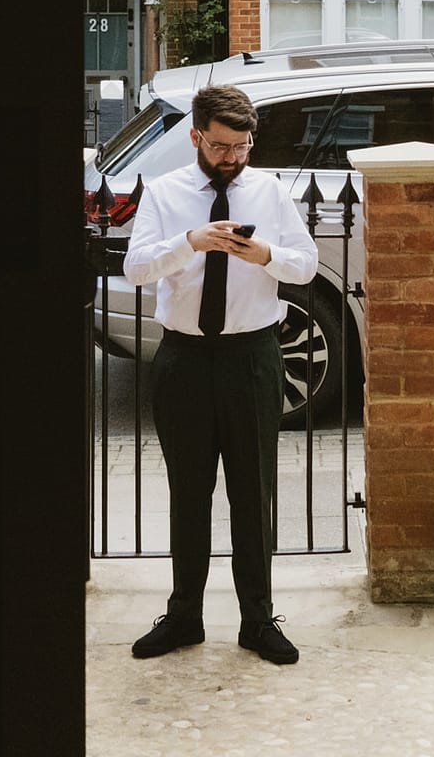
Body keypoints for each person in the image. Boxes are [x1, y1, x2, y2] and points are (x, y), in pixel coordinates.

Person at [123, 83, 319, 665]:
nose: (233, 155)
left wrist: (266, 258)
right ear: (196, 137)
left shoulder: (270, 191)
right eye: (221, 145)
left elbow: (305, 265)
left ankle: (258, 620)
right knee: (189, 493)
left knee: (253, 493)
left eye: (242, 144)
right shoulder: (164, 193)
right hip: (184, 359)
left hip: (252, 357)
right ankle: (184, 616)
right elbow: (135, 267)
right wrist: (189, 242)